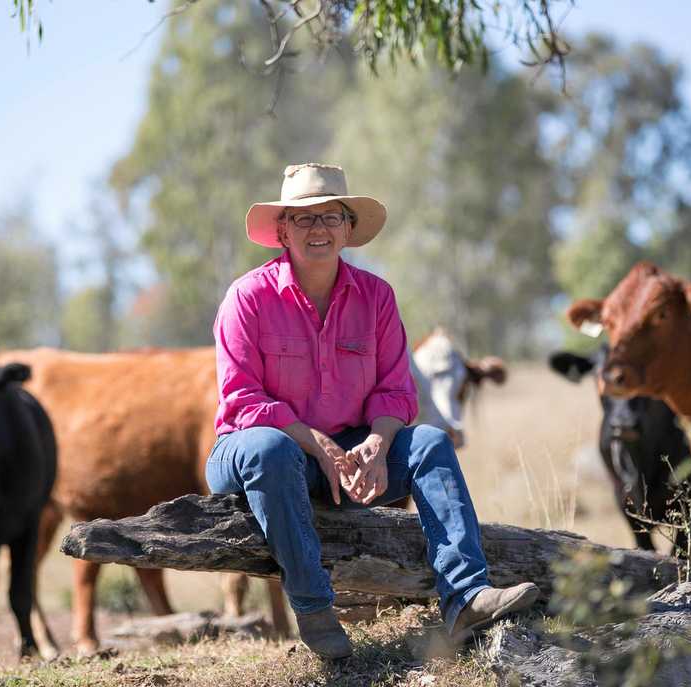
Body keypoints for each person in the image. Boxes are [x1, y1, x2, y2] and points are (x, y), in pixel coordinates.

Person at [206, 163, 539, 660]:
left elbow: (397, 390)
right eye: (302, 218)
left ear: (348, 228)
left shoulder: (377, 297)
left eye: (330, 217)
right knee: (271, 448)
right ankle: (315, 608)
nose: (318, 229)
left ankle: (467, 596)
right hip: (257, 450)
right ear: (281, 230)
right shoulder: (247, 298)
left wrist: (379, 444)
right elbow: (241, 399)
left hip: (347, 455)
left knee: (429, 442)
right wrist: (314, 442)